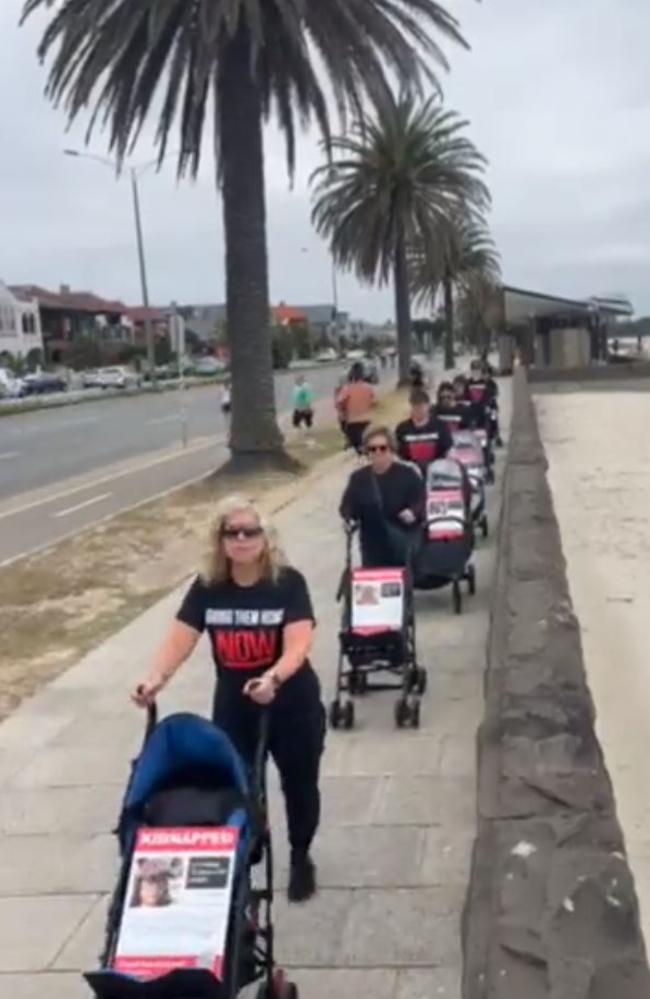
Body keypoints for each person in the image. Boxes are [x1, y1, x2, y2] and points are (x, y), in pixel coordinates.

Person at [132, 496, 325, 903]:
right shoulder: (208, 588)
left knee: (299, 782)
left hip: (290, 702)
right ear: (219, 541)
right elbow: (180, 638)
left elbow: (298, 643)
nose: (241, 540)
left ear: (265, 538)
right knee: (240, 782)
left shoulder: (287, 582)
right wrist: (155, 679)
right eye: (231, 533)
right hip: (235, 705)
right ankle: (251, 842)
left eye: (249, 531)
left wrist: (273, 676)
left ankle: (301, 854)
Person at [339, 425, 425, 568]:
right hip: (371, 543)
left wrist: (413, 511)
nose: (378, 453)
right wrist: (349, 518)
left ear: (391, 450)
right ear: (367, 452)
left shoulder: (408, 474)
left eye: (383, 448)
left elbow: (421, 500)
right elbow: (347, 506)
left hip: (403, 538)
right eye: (373, 449)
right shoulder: (359, 478)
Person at [395, 388, 452, 474]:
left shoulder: (440, 426)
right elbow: (398, 454)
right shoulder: (402, 429)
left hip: (437, 472)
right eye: (415, 405)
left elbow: (448, 450)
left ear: (428, 405)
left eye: (421, 405)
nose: (418, 408)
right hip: (410, 473)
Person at [336, 362, 376, 454]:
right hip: (366, 421)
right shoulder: (368, 388)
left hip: (353, 422)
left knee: (357, 448)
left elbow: (339, 402)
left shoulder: (348, 389)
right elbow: (373, 402)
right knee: (366, 446)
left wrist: (342, 411)